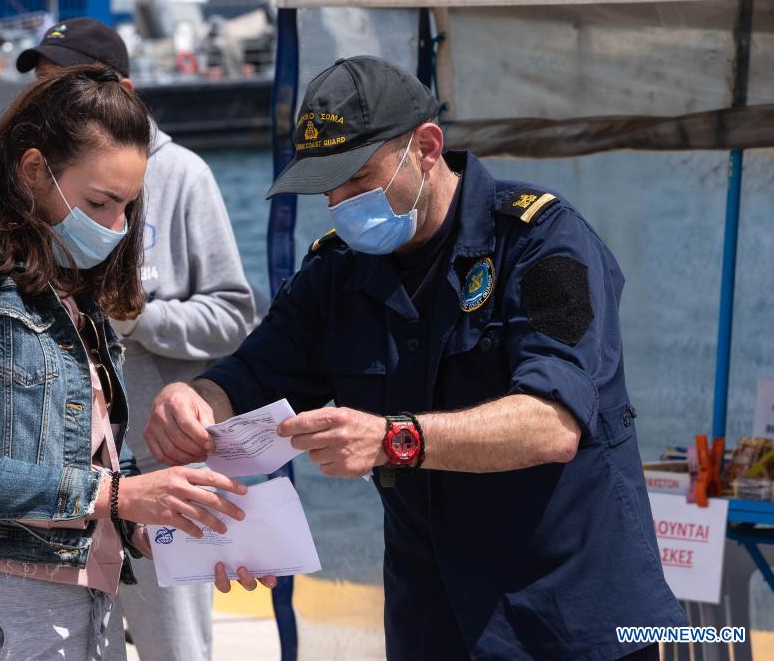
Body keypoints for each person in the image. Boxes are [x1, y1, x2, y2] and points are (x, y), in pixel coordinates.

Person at [143, 55, 689, 660]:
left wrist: (393, 439)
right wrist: (193, 400)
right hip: (431, 618)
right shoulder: (336, 273)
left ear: (427, 147)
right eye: (325, 186)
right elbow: (251, 375)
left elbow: (554, 421)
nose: (339, 202)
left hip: (569, 618)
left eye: (356, 179)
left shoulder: (543, 242)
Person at [0, 65, 272, 660]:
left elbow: (89, 462)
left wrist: (175, 529)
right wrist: (119, 496)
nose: (115, 227)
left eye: (128, 207)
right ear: (34, 170)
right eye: (100, 202)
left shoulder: (69, 286)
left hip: (86, 617)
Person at [17, 19, 256, 661]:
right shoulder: (34, 180)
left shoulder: (182, 175)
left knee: (173, 648)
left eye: (60, 84)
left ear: (119, 89)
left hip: (160, 469)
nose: (42, 101)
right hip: (65, 480)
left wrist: (135, 319)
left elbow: (235, 316)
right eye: (39, 85)